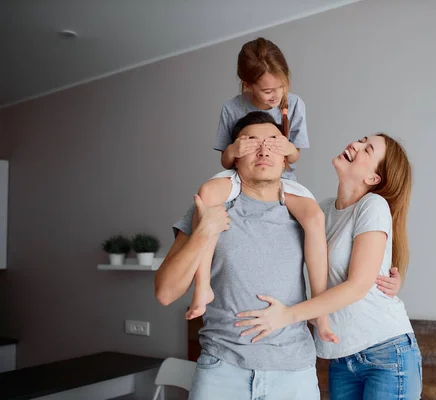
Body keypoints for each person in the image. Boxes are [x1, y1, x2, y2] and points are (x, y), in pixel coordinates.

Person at [155, 112, 335, 399]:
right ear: (234, 158)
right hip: (221, 371)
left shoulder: (306, 214)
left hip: (293, 375)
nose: (263, 150)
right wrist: (204, 231)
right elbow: (165, 293)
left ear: (286, 158)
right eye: (251, 143)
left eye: (273, 143)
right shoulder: (209, 206)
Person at [235, 134, 422, 399]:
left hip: (386, 353)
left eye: (367, 149)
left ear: (373, 178)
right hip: (341, 357)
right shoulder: (321, 211)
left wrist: (287, 315)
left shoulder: (372, 206)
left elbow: (357, 287)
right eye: (361, 139)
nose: (355, 145)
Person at [186, 38, 331, 347]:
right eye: (266, 91)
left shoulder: (295, 104)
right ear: (246, 85)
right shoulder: (231, 108)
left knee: (315, 217)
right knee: (207, 196)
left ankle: (320, 309)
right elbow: (225, 159)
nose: (275, 96)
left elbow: (294, 158)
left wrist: (287, 147)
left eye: (280, 87)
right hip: (240, 175)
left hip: (282, 180)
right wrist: (235, 149)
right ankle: (202, 286)